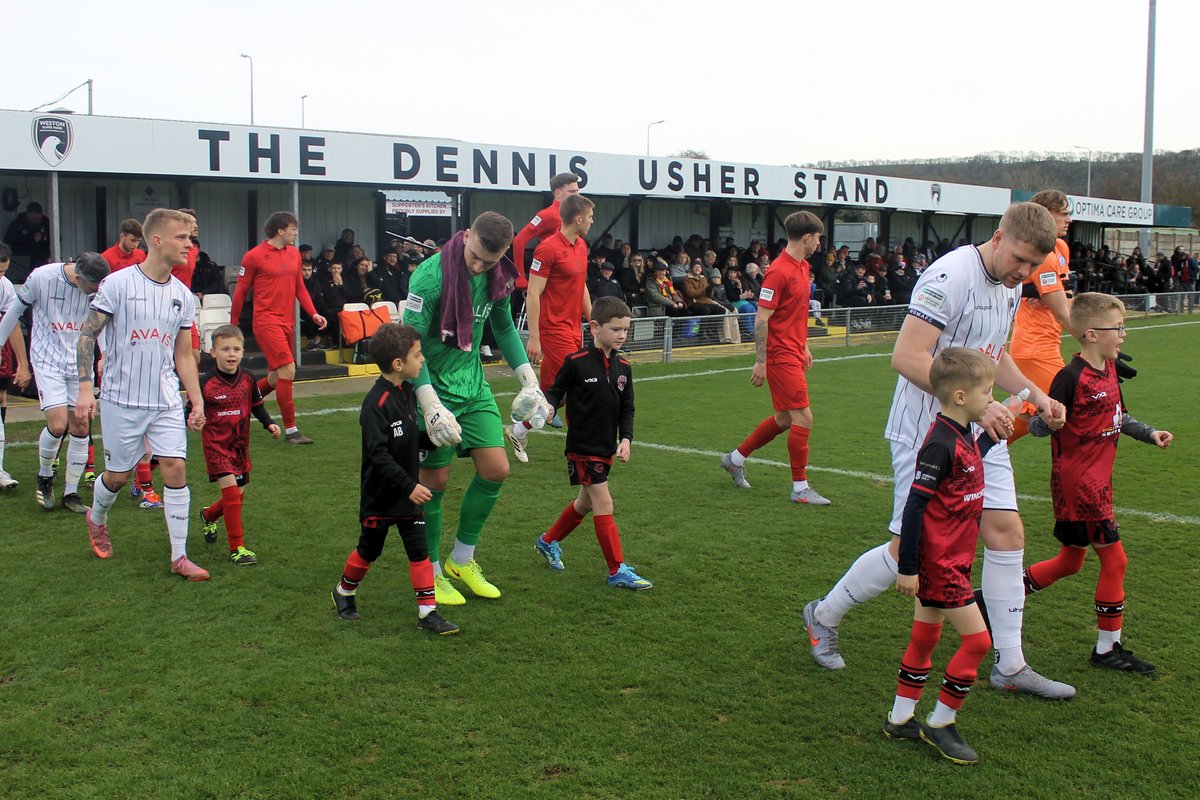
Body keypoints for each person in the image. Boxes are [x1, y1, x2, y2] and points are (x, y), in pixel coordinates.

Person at [801, 203, 1076, 700]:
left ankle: (1010, 664)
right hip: (928, 433)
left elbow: (995, 355)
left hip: (980, 429)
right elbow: (905, 356)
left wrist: (1035, 394)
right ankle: (823, 614)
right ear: (998, 237)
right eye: (1018, 260)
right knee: (909, 548)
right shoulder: (949, 275)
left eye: (1034, 266)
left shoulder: (1012, 286)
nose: (1023, 273)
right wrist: (973, 404)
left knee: (1007, 531)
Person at [402, 211, 552, 606]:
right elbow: (409, 345)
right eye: (474, 256)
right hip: (432, 387)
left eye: (489, 260)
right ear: (466, 236)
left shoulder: (498, 274)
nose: (478, 266)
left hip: (474, 388)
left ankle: (461, 560)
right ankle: (431, 572)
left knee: (497, 469)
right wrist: (430, 403)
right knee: (433, 484)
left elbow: (502, 326)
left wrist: (528, 380)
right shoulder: (428, 277)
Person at [1022, 293, 1173, 673]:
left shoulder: (1109, 368)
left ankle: (992, 600)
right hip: (1080, 488)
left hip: (1097, 484)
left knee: (1070, 562)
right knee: (1116, 560)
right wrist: (1049, 420)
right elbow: (1041, 425)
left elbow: (1120, 416)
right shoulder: (1070, 377)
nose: (1123, 335)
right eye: (1117, 329)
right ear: (1090, 334)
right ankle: (1107, 649)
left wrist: (1150, 433)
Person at [74, 208, 209, 580]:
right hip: (122, 398)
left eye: (190, 237)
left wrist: (195, 398)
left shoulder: (183, 295)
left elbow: (183, 353)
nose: (189, 244)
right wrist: (86, 388)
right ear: (157, 240)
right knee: (117, 476)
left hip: (165, 398)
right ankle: (97, 515)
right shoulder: (117, 285)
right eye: (182, 237)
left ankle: (179, 556)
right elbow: (87, 336)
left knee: (176, 468)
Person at [884, 348, 1002, 766]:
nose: (991, 399)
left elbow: (970, 462)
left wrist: (1014, 425)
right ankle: (941, 722)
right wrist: (909, 569)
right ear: (958, 396)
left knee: (926, 636)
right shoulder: (937, 444)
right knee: (978, 641)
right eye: (986, 392)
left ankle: (900, 719)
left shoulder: (961, 434)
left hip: (953, 556)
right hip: (939, 562)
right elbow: (914, 509)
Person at [331, 323, 459, 635]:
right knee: (369, 550)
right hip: (381, 495)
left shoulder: (408, 393)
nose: (423, 360)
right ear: (398, 364)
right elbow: (379, 454)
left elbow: (409, 439)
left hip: (407, 494)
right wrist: (410, 485)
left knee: (418, 549)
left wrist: (434, 438)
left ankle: (428, 612)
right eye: (418, 355)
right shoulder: (375, 405)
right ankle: (344, 591)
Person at [532, 296, 650, 589]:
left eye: (626, 329)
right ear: (595, 327)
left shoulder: (624, 367)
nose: (622, 335)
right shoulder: (576, 362)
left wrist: (626, 439)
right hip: (582, 447)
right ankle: (616, 569)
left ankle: (548, 541)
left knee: (585, 503)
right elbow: (555, 392)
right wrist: (547, 408)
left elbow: (627, 408)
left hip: (606, 447)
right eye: (616, 329)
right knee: (603, 501)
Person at [719, 210, 830, 505]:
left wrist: (803, 345)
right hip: (779, 354)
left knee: (784, 418)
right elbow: (761, 319)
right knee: (803, 416)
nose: (819, 243)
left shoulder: (803, 267)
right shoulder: (779, 271)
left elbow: (794, 313)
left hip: (792, 351)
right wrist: (761, 360)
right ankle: (800, 488)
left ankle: (735, 458)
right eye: (818, 238)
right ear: (807, 237)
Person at [0, 253, 110, 513]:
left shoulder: (99, 289)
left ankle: (70, 493)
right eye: (92, 284)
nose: (96, 289)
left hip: (79, 361)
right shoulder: (42, 277)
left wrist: (104, 353)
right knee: (59, 424)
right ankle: (45, 477)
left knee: (82, 425)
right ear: (78, 275)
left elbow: (99, 324)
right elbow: (15, 309)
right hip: (47, 360)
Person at [506, 193, 594, 464]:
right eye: (590, 217)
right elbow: (533, 294)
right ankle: (582, 450)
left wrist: (593, 319)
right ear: (578, 218)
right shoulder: (547, 249)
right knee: (580, 387)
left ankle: (519, 427)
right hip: (553, 331)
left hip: (572, 330)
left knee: (553, 395)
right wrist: (534, 337)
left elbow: (581, 287)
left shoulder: (581, 246)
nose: (592, 221)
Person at [230, 212, 327, 445]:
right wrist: (232, 325)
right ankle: (291, 431)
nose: (296, 233)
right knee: (288, 370)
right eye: (293, 229)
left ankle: (239, 406)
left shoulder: (294, 254)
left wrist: (313, 313)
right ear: (280, 230)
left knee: (275, 377)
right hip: (266, 321)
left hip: (287, 322)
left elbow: (299, 288)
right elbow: (241, 291)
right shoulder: (254, 256)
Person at [194, 324, 281, 566]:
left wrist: (269, 424)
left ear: (243, 352)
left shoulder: (248, 379)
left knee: (237, 498)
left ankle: (208, 515)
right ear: (212, 352)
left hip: (240, 447)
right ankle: (237, 548)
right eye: (225, 349)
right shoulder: (205, 383)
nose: (231, 354)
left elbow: (257, 405)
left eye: (236, 349)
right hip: (216, 446)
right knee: (232, 495)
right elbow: (191, 411)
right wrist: (194, 419)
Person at [1007, 190, 1074, 442]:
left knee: (1027, 418)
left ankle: (974, 454)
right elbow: (1063, 312)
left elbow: (1065, 299)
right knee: (1071, 411)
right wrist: (1095, 343)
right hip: (1035, 349)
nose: (1069, 219)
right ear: (1045, 215)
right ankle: (969, 455)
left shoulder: (1060, 248)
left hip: (1045, 344)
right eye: (1064, 214)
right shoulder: (1044, 256)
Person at [510, 173, 581, 292]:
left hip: (570, 278)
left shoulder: (575, 215)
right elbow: (519, 240)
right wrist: (520, 276)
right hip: (550, 279)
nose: (577, 195)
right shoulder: (548, 215)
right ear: (558, 193)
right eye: (572, 192)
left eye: (577, 191)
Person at [0, 245, 31, 488]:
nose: (1, 277)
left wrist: (22, 363)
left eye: (4, 271)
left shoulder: (5, 286)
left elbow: (10, 323)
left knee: (1, 399)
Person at [3, 201, 51, 280]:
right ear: (27, 215)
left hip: (42, 260)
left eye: (38, 218)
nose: (36, 220)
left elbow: (56, 240)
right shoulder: (17, 224)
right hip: (20, 262)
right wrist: (29, 238)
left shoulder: (46, 223)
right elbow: (7, 242)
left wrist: (43, 238)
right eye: (33, 218)